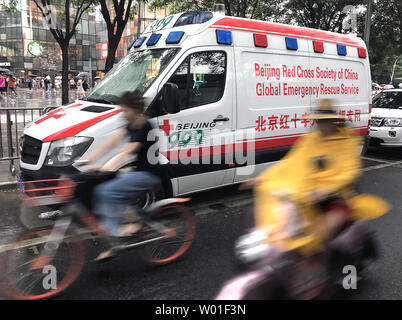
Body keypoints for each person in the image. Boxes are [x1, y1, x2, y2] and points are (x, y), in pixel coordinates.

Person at [246, 99, 362, 256]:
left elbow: (349, 171)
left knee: (322, 234)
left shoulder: (348, 142)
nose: (320, 126)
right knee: (284, 227)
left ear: (334, 121)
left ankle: (334, 268)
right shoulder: (309, 140)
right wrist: (263, 178)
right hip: (307, 197)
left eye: (324, 122)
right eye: (317, 121)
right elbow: (289, 163)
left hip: (336, 198)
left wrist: (326, 190)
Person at [78, 91, 162, 261]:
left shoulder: (144, 125)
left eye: (124, 111)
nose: (122, 114)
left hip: (149, 174)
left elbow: (127, 151)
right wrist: (90, 158)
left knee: (106, 191)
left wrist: (106, 167)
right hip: (138, 171)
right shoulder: (132, 123)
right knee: (110, 190)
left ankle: (118, 233)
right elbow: (114, 141)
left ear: (135, 109)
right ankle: (127, 230)